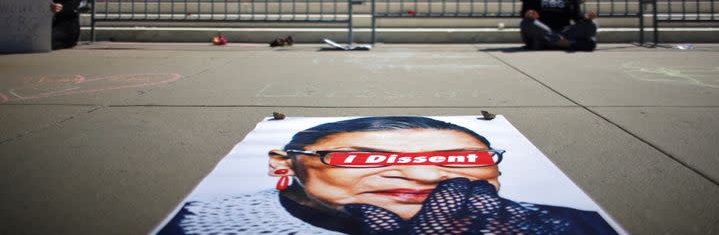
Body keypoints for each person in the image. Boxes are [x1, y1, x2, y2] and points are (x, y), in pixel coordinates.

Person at [159, 116, 616, 234]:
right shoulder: (197, 226)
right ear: (284, 163)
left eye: (457, 161)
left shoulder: (572, 226)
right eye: (363, 160)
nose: (420, 173)